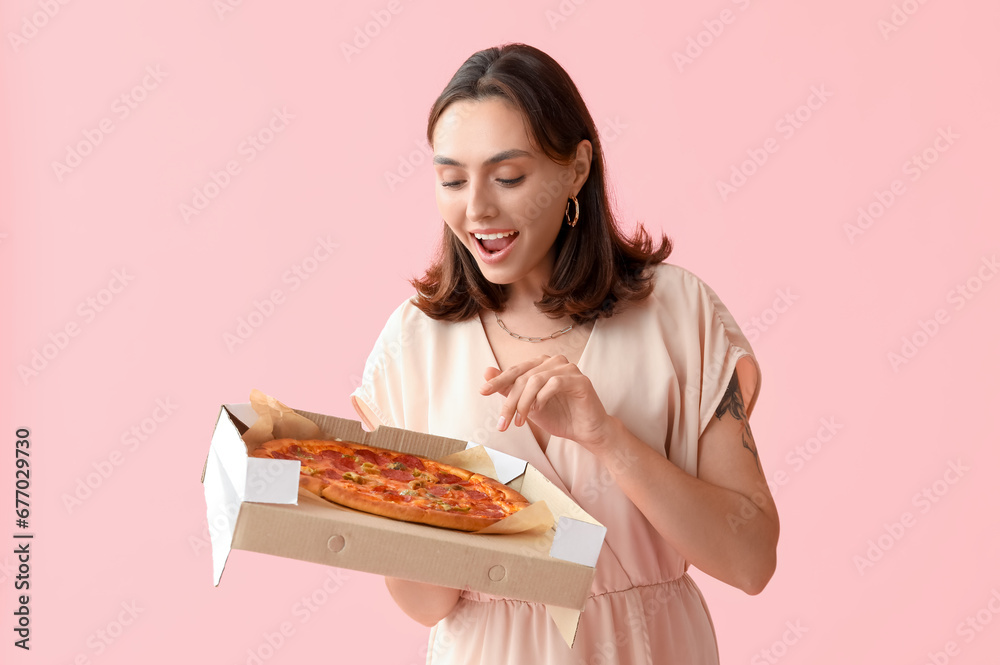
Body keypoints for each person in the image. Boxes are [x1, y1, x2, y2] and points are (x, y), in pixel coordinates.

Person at [349, 42, 779, 665]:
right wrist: (400, 511)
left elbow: (751, 559)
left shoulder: (679, 314)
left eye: (508, 177)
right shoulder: (410, 345)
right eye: (451, 179)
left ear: (577, 169)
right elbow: (425, 604)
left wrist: (607, 438)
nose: (476, 209)